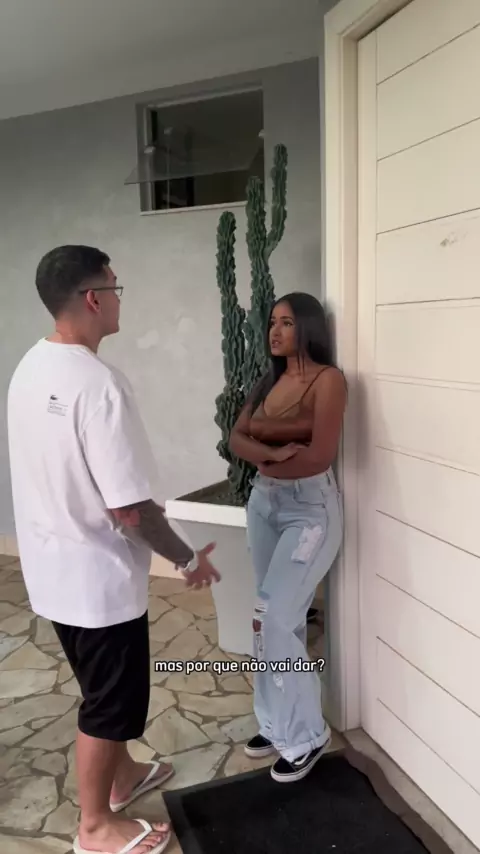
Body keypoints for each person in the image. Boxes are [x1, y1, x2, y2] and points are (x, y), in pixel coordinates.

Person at [7, 245, 220, 854]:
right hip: (97, 581)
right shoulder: (100, 385)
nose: (119, 298)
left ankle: (122, 777)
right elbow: (129, 509)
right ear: (94, 299)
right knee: (108, 703)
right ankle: (95, 826)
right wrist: (187, 559)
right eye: (115, 287)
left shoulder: (30, 366)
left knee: (98, 686)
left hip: (51, 570)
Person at [229, 292, 346, 783]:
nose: (275, 331)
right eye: (272, 322)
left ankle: (308, 735)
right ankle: (276, 724)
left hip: (308, 510)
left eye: (287, 323)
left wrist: (264, 456)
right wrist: (273, 457)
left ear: (309, 328)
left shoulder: (328, 380)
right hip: (264, 503)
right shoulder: (268, 381)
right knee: (271, 621)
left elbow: (319, 456)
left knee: (273, 617)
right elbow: (235, 439)